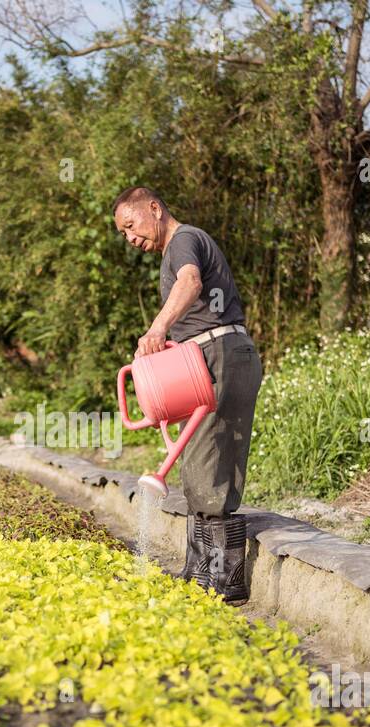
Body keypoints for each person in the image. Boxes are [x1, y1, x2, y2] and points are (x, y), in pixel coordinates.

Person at [112, 186, 264, 605]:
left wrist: (158, 328)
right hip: (205, 360)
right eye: (123, 233)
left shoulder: (183, 241)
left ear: (155, 209)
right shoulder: (176, 247)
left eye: (131, 225)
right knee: (198, 462)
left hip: (221, 356)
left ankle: (226, 579)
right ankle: (198, 572)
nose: (130, 238)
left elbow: (191, 282)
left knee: (213, 463)